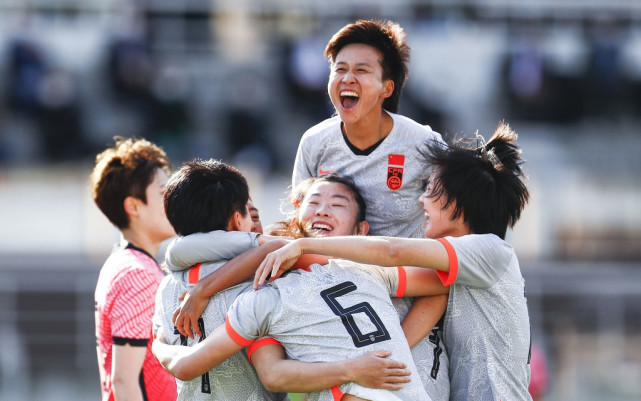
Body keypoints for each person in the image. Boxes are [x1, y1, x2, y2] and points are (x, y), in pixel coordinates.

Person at [257, 122, 532, 401]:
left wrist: (300, 244)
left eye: (431, 190)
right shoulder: (453, 267)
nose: (422, 201)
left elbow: (392, 252)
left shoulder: (491, 252)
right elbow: (392, 275)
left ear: (457, 203)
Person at [164, 173, 448, 400]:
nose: (323, 211)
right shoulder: (264, 294)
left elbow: (441, 285)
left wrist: (395, 347)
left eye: (338, 205)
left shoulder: (365, 270)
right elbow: (273, 374)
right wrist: (355, 368)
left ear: (362, 230)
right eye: (313, 203)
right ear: (294, 217)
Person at [291, 21, 449, 399]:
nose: (348, 78)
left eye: (362, 70)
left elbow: (450, 246)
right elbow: (295, 227)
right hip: (333, 316)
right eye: (340, 69)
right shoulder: (315, 143)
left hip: (410, 311)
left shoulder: (423, 144)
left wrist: (396, 345)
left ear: (386, 88)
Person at [90, 137, 177, 401]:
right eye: (164, 193)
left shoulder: (125, 264)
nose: (173, 201)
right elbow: (124, 381)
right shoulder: (136, 273)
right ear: (134, 206)